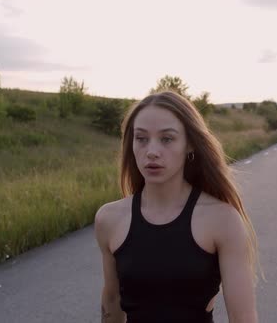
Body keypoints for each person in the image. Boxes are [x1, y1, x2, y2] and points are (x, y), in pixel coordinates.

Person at [94, 91, 262, 322]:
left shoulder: (222, 220)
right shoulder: (109, 219)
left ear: (190, 144)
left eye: (167, 138)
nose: (152, 151)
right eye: (141, 138)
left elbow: (243, 318)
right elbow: (111, 304)